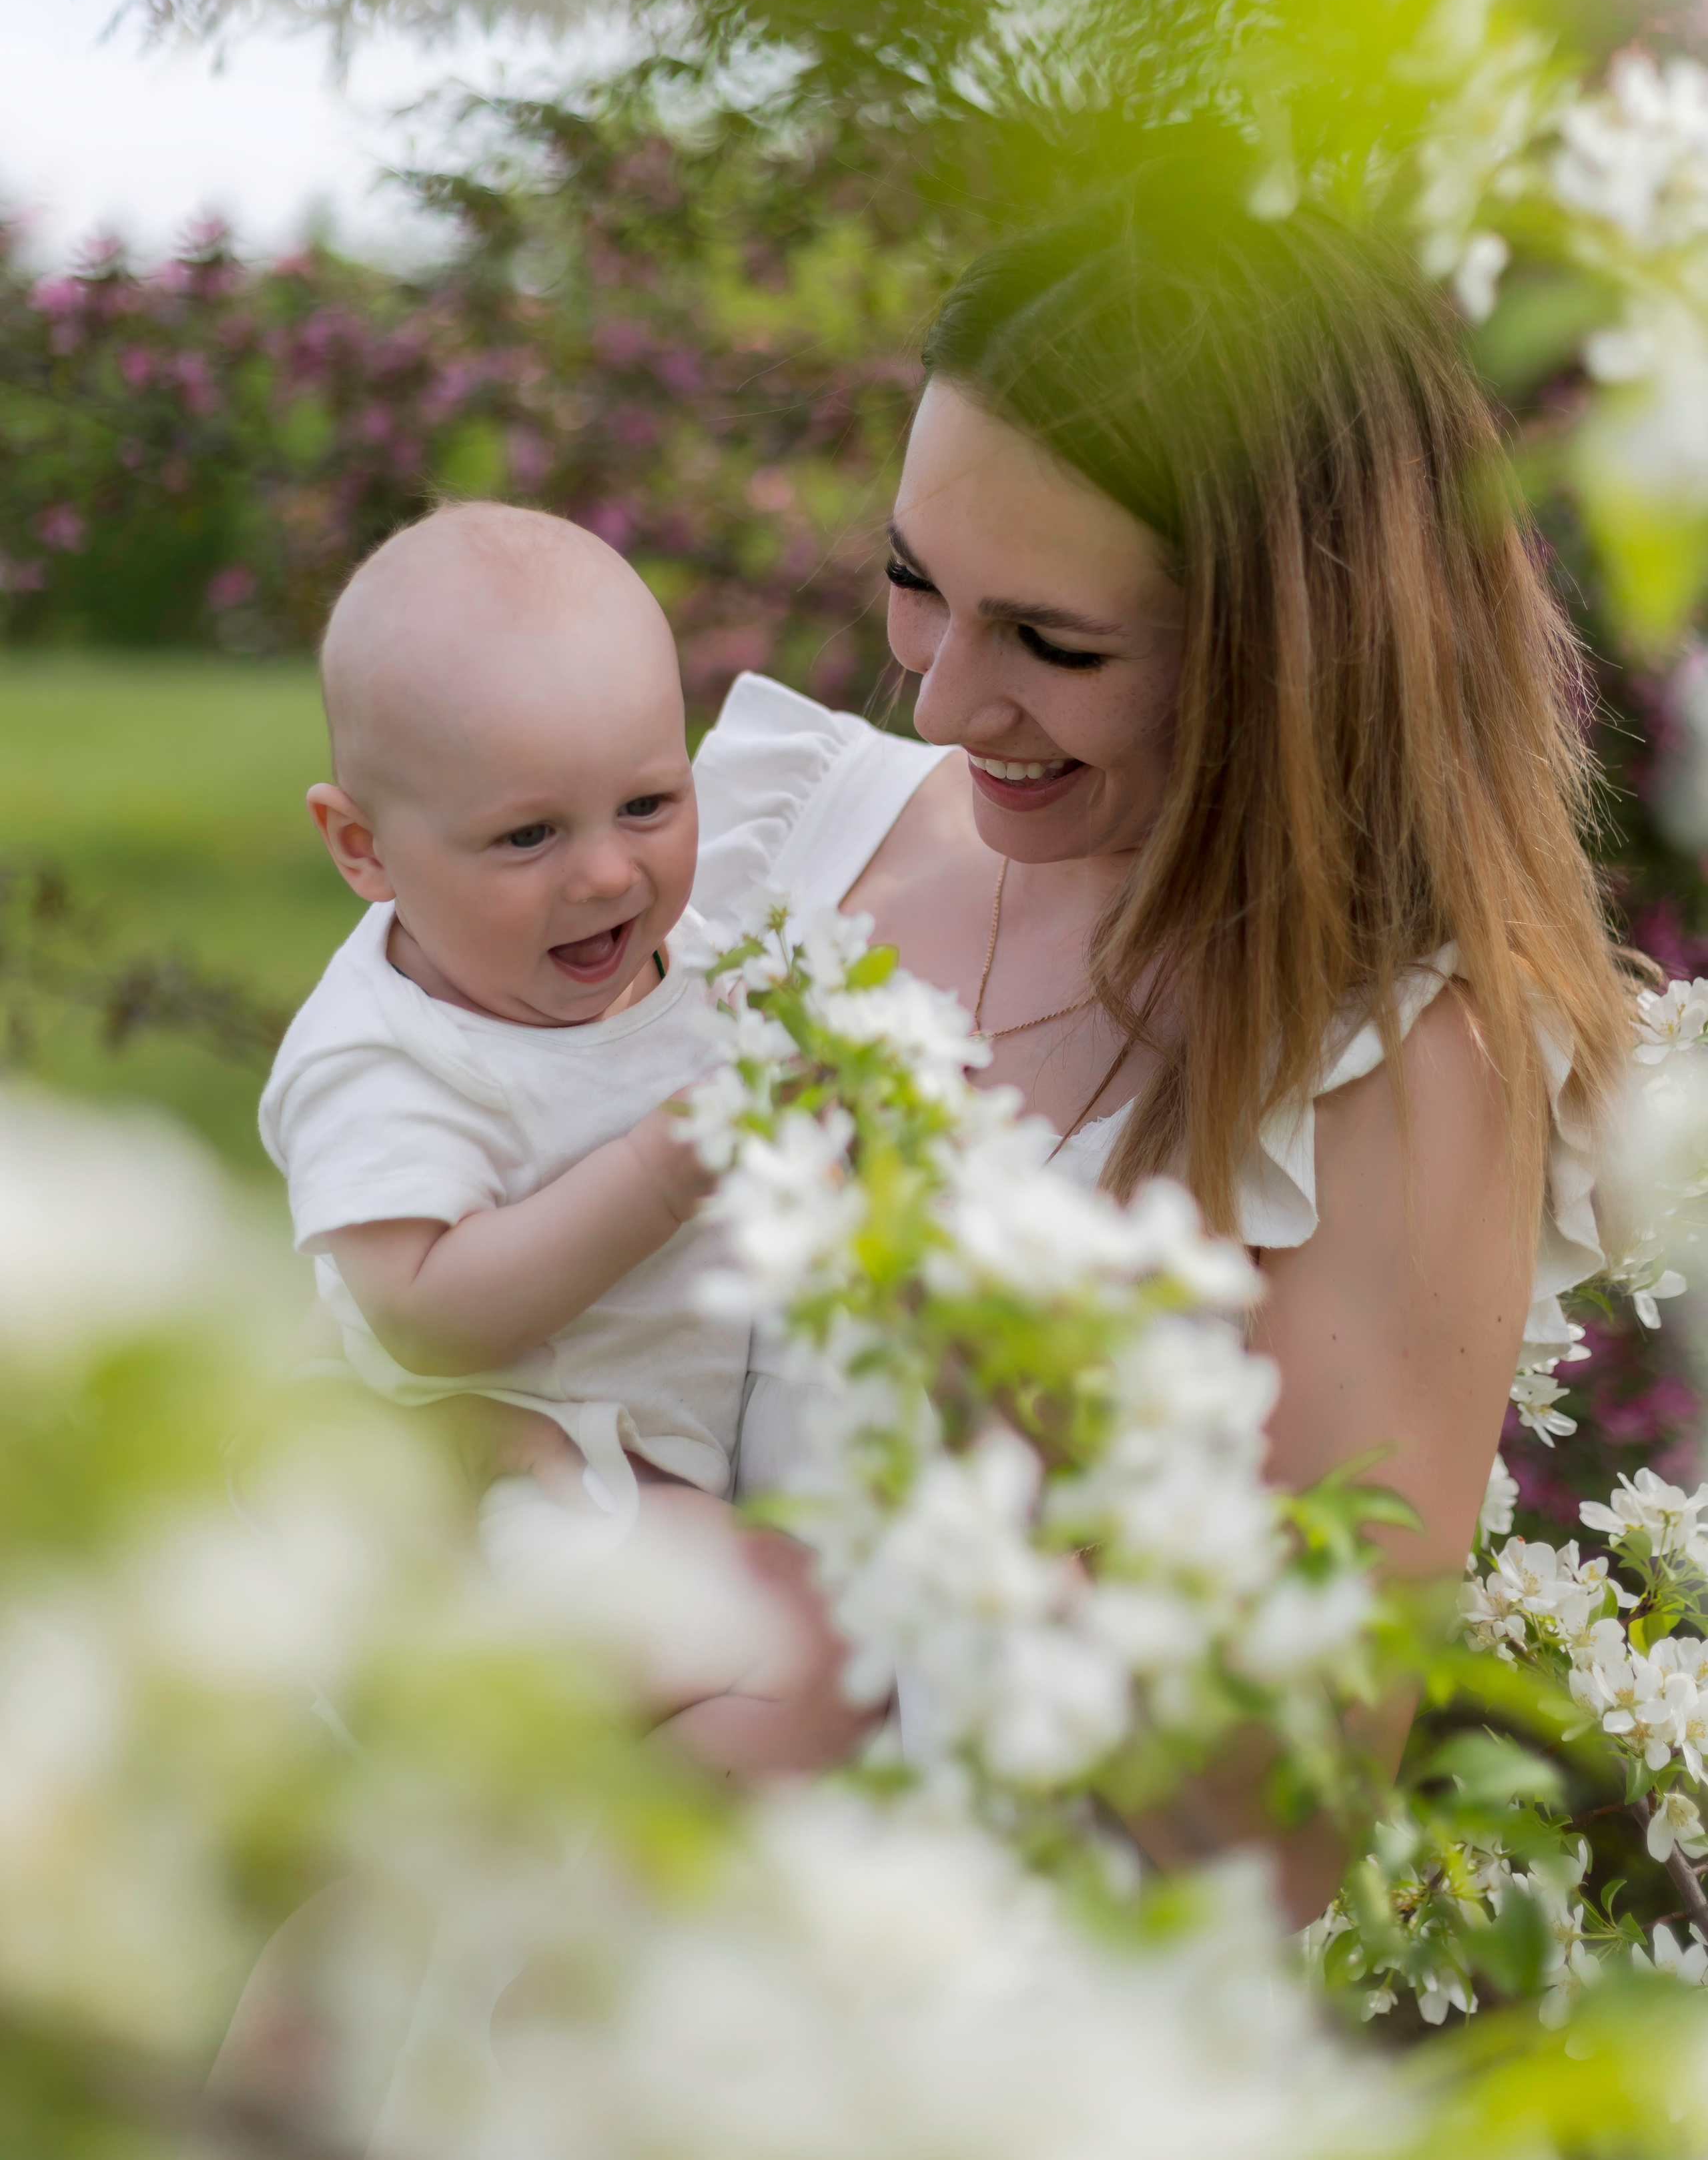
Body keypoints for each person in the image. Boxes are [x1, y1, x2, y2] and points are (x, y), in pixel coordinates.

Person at [692, 171, 1634, 1910]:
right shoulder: (788, 839)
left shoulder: (1396, 1072)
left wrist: (1009, 1405)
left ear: (1297, 659)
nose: (942, 697)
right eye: (916, 579)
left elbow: (1275, 1824)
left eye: (1055, 641)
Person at [261, 499, 861, 1778]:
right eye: (530, 834)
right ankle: (560, 1902)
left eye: (648, 803)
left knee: (817, 1648)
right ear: (362, 847)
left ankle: (515, 1879)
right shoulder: (385, 1053)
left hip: (605, 1467)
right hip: (480, 1492)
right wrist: (656, 1171)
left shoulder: (685, 965)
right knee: (805, 1650)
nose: (604, 875)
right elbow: (415, 1308)